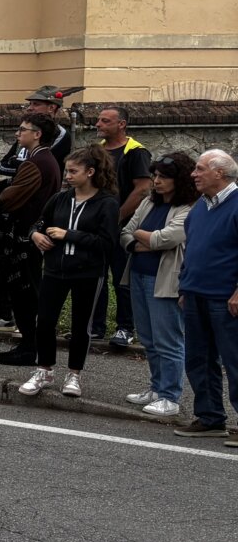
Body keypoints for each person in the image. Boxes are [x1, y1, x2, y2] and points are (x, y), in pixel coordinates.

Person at [18, 146, 119, 399]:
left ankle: (74, 374)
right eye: (66, 171)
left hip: (87, 272)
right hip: (54, 270)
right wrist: (36, 235)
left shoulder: (106, 203)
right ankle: (44, 370)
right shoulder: (60, 199)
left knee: (80, 325)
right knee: (45, 321)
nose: (67, 176)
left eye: (73, 171)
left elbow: (107, 242)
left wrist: (69, 235)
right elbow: (38, 223)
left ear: (91, 172)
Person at [122, 152, 195, 419]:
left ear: (180, 180)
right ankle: (155, 388)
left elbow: (165, 239)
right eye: (154, 175)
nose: (156, 180)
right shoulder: (148, 203)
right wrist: (140, 241)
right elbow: (125, 232)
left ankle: (170, 397)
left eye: (164, 177)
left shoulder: (189, 208)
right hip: (139, 276)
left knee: (169, 341)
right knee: (149, 339)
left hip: (164, 280)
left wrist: (143, 238)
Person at [173, 149, 238, 446]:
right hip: (196, 293)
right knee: (198, 359)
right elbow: (192, 248)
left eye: (200, 169)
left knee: (234, 360)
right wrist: (185, 286)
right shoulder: (200, 206)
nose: (193, 174)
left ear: (219, 174)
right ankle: (210, 417)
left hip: (226, 298)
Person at [0, 116, 63, 366]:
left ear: (38, 134)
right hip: (32, 234)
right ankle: (30, 345)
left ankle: (30, 346)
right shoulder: (45, 160)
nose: (17, 134)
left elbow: (9, 198)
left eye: (23, 130)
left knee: (24, 293)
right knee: (28, 291)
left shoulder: (36, 162)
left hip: (24, 237)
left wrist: (1, 190)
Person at [91, 106, 152, 350]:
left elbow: (142, 189)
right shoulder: (96, 151)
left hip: (122, 228)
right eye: (98, 120)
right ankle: (94, 327)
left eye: (105, 121)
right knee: (96, 277)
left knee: (121, 279)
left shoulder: (135, 152)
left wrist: (116, 217)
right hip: (95, 228)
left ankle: (125, 328)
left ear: (121, 125)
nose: (98, 124)